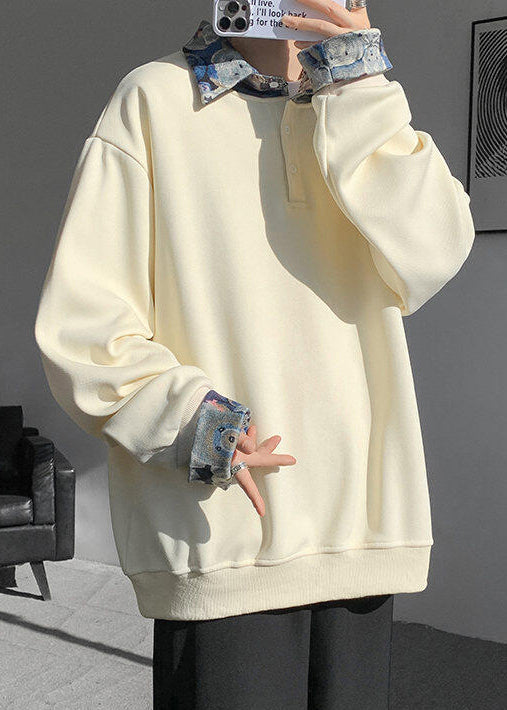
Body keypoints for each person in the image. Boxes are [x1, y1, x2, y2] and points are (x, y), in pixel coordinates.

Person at [34, 0, 476, 708]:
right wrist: (194, 423)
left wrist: (358, 86)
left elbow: (434, 251)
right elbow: (84, 329)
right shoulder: (155, 100)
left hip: (363, 530)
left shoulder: (360, 105)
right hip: (224, 530)